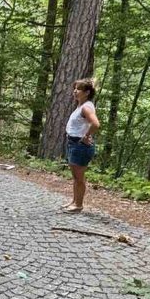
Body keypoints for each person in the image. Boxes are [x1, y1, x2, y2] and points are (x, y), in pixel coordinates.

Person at [63, 79, 101, 213]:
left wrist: (86, 136)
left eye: (78, 89)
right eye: (75, 88)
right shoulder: (81, 106)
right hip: (74, 144)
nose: (75, 91)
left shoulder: (86, 107)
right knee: (75, 176)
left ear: (87, 92)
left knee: (79, 178)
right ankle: (74, 201)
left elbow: (95, 124)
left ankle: (79, 205)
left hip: (80, 146)